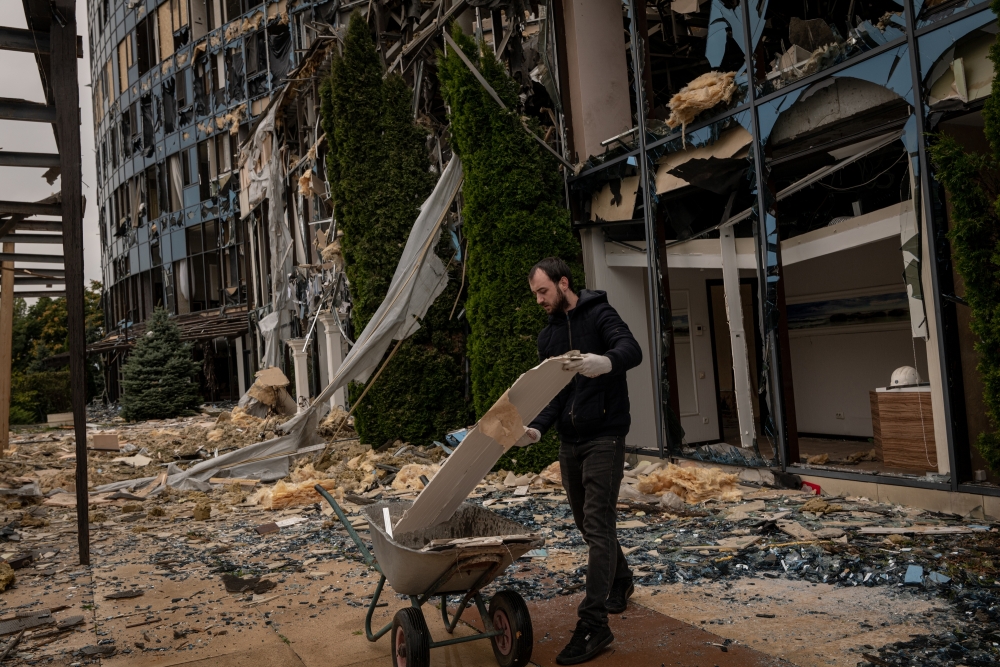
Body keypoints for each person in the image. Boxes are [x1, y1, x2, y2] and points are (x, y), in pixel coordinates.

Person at [517, 257, 643, 665]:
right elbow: (554, 395)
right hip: (569, 441)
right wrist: (534, 430)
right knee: (587, 524)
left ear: (563, 283)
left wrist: (602, 362)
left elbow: (631, 349)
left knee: (598, 524)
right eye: (535, 293)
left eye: (543, 291)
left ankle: (594, 625)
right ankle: (620, 580)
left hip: (605, 435)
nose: (539, 300)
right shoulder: (548, 338)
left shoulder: (600, 314)